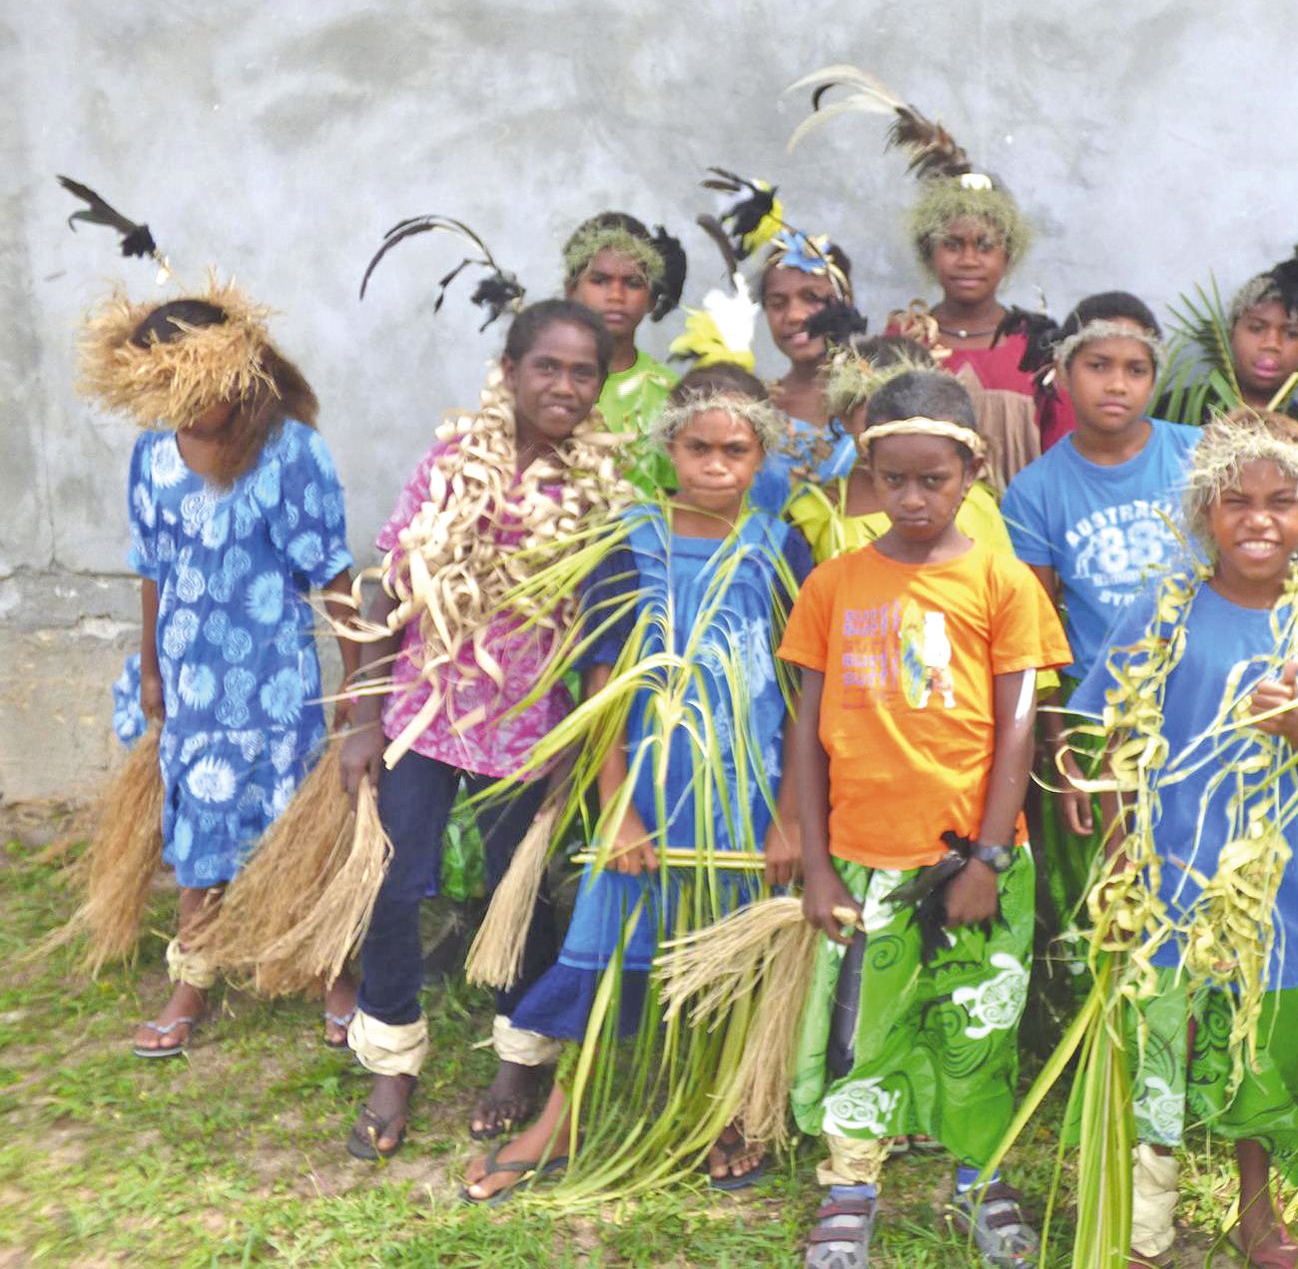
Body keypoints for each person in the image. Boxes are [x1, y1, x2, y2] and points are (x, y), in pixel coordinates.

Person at [462, 364, 812, 1203]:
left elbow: (804, 694)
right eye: (699, 447)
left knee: (732, 947)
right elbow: (600, 682)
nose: (718, 465)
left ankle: (731, 1106)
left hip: (746, 787)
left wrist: (791, 819)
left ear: (761, 451)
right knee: (617, 936)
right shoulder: (633, 541)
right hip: (649, 788)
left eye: (737, 449)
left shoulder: (783, 544)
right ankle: (567, 1111)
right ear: (670, 448)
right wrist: (618, 809)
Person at [777, 369, 1071, 1268]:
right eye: (892, 478)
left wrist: (987, 855)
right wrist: (818, 862)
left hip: (973, 863)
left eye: (932, 479)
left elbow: (1018, 724)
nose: (911, 497)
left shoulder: (1003, 582)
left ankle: (980, 1174)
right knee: (865, 1029)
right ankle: (852, 1182)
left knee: (977, 1024)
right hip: (865, 862)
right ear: (868, 468)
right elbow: (808, 729)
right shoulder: (833, 586)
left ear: (973, 470)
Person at [1067, 410, 1298, 1268]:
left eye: (1281, 501)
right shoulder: (1159, 613)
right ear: (1204, 511)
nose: (1259, 519)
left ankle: (1259, 1214)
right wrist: (1123, 846)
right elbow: (1118, 739)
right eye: (1236, 500)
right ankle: (1147, 1219)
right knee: (1163, 1048)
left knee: (1264, 1053)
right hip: (1166, 882)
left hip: (1279, 898)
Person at [337, 299, 622, 1159]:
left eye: (583, 373)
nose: (564, 385)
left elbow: (603, 630)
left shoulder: (603, 490)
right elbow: (388, 581)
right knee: (392, 884)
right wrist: (363, 715)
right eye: (548, 366)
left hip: (531, 726)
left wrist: (584, 732)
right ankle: (392, 1056)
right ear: (510, 369)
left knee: (521, 891)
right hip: (423, 714)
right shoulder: (454, 461)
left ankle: (520, 1055)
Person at [77, 277, 360, 1055]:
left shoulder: (290, 451)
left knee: (295, 820)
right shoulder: (152, 456)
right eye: (157, 390)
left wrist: (357, 682)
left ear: (228, 373)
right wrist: (152, 669)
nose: (172, 405)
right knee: (198, 826)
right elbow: (152, 565)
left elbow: (333, 572)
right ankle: (192, 977)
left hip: (274, 684)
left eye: (183, 386)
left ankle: (334, 968)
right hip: (192, 682)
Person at [998, 293, 1201, 962]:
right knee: (1112, 895)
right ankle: (1113, 1045)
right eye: (1099, 364)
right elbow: (1038, 633)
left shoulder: (1198, 456)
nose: (1118, 383)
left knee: (1198, 879)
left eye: (1137, 368)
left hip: (1200, 702)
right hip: (1098, 719)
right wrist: (1062, 757)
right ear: (1062, 370)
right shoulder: (1035, 490)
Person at [785, 66, 1074, 483]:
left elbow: (1062, 449)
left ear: (1008, 255)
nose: (969, 260)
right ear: (929, 253)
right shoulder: (904, 338)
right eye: (952, 245)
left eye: (985, 246)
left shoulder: (1037, 346)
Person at [786, 337, 1014, 564]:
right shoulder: (819, 512)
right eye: (876, 418)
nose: (895, 434)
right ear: (845, 417)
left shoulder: (969, 501)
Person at [1159, 242, 1298, 444]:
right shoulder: (1179, 410)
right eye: (1256, 328)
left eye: (1291, 333)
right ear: (1232, 332)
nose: (1272, 344)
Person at [563, 210, 689, 494]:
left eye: (633, 283)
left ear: (652, 299)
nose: (616, 296)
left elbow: (677, 494)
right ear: (571, 290)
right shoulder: (544, 381)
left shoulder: (669, 392)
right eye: (600, 280)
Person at [750, 228, 870, 514]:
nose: (794, 316)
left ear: (846, 300)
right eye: (778, 304)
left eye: (813, 298)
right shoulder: (757, 406)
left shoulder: (879, 396)